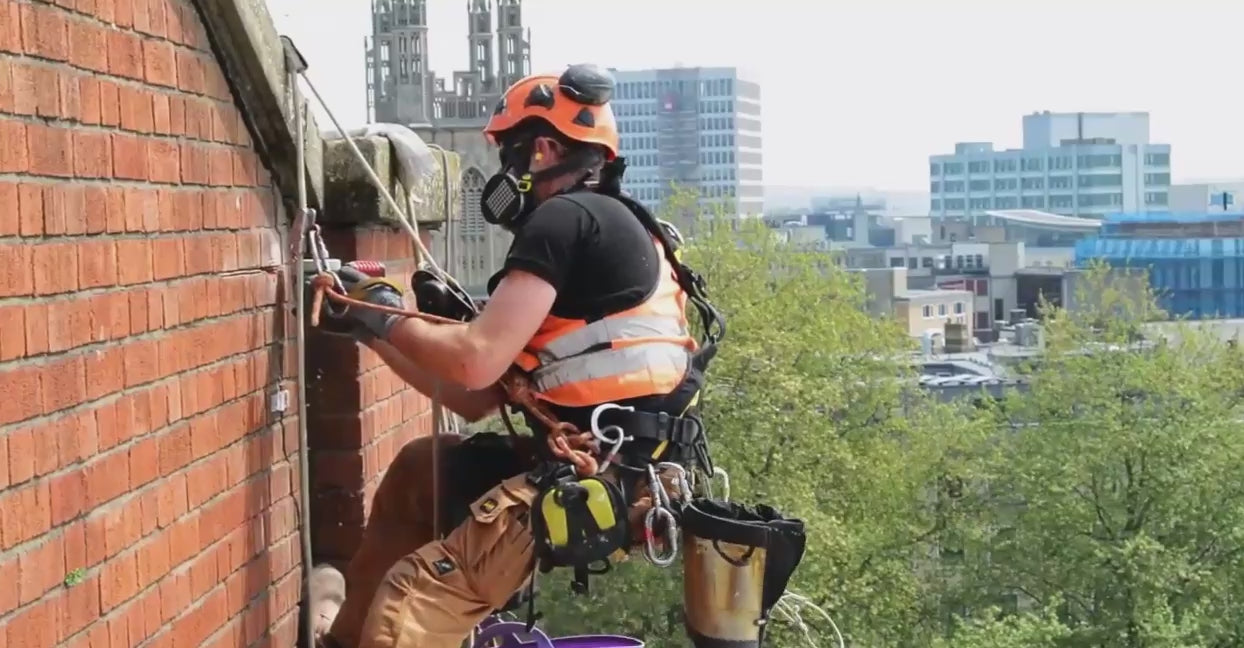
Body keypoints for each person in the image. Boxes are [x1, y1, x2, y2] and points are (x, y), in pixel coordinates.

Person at [314, 64, 722, 648]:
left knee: (418, 597)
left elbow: (475, 360)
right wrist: (373, 329)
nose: (504, 172)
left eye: (511, 153)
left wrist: (381, 307)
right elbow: (474, 396)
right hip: (626, 471)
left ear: (545, 149)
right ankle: (340, 639)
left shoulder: (563, 219)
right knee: (417, 474)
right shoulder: (625, 227)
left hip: (593, 472)